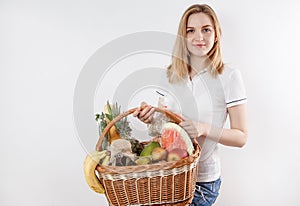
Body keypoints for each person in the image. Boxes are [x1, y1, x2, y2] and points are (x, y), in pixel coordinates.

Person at [133, 4, 248, 206]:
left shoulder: (229, 77)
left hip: (203, 182)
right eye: (190, 31)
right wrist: (150, 116)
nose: (199, 37)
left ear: (217, 34)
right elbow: (160, 130)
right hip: (166, 175)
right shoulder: (169, 75)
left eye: (206, 29)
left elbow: (241, 137)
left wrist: (203, 128)